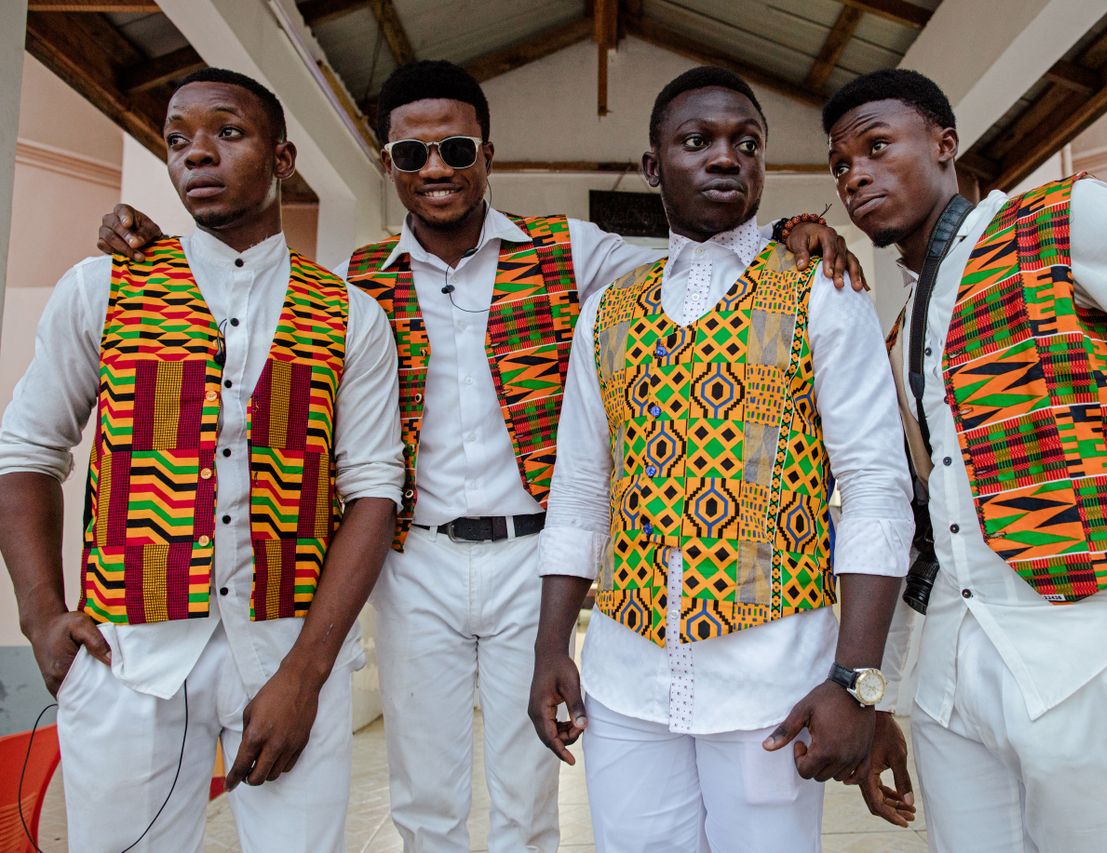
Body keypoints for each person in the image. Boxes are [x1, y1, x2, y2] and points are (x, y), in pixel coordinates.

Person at [97, 58, 858, 853]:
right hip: (413, 559)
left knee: (529, 788)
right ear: (390, 165)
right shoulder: (356, 281)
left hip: (532, 555)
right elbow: (255, 291)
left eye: (456, 151)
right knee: (423, 792)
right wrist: (151, 243)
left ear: (486, 156)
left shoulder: (572, 252)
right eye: (410, 156)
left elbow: (698, 264)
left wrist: (787, 232)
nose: (435, 170)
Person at [822, 68, 1107, 850]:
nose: (855, 173)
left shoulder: (1066, 220)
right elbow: (919, 516)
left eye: (875, 146)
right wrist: (879, 689)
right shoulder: (901, 326)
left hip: (1082, 645)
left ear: (944, 143)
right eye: (839, 164)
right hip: (950, 669)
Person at [0, 68, 403, 851]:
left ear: (283, 159)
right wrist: (40, 614)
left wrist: (307, 673)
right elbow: (27, 448)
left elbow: (374, 492)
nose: (197, 154)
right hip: (128, 654)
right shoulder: (105, 288)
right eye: (178, 139)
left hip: (285, 648)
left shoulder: (349, 315)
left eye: (227, 132)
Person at [528, 66, 914, 852]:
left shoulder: (819, 290)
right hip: (625, 676)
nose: (724, 157)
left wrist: (855, 682)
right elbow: (578, 490)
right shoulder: (608, 310)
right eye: (696, 141)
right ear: (652, 166)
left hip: (775, 680)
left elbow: (877, 488)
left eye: (747, 143)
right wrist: (549, 647)